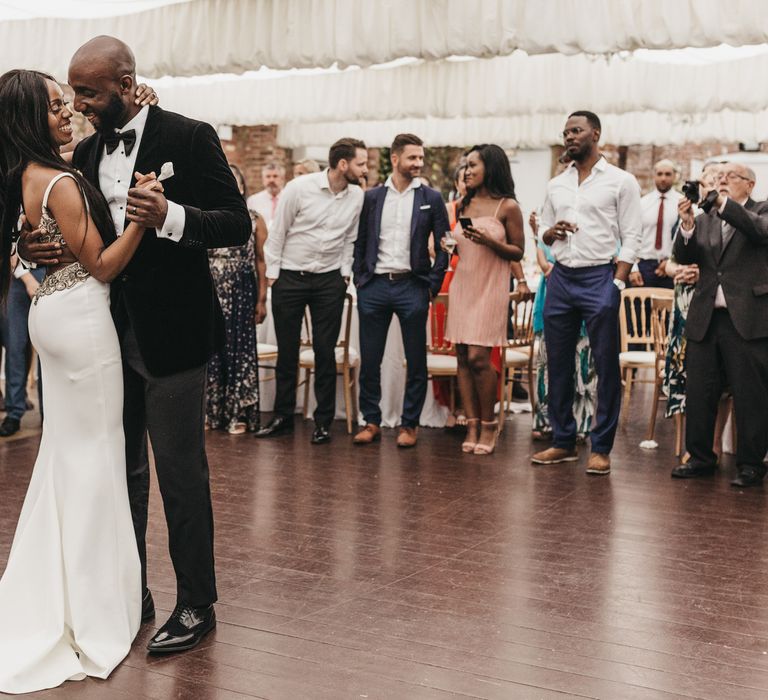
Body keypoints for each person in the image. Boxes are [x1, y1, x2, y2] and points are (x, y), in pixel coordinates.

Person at [18, 36, 251, 654]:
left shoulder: (189, 135)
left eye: (89, 93)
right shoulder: (87, 151)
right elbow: (60, 222)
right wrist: (29, 244)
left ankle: (197, 603)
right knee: (121, 471)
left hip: (172, 336)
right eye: (73, 94)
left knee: (179, 471)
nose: (80, 105)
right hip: (100, 336)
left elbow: (235, 223)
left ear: (126, 83)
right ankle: (131, 590)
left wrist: (171, 216)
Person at [0, 68, 166, 693]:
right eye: (53, 107)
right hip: (84, 323)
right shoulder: (63, 182)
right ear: (27, 119)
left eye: (68, 102)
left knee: (66, 460)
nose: (66, 112)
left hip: (51, 314)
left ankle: (64, 582)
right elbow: (101, 265)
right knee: (97, 461)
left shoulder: (25, 174)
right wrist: (143, 222)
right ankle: (95, 605)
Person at [532, 110, 642, 475]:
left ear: (596, 133)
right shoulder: (556, 184)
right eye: (565, 132)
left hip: (600, 278)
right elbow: (543, 227)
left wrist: (617, 284)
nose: (569, 136)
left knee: (605, 365)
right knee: (558, 362)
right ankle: (562, 441)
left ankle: (601, 447)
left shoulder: (621, 181)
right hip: (561, 278)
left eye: (576, 130)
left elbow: (632, 236)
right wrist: (550, 234)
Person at [256, 138, 367, 444]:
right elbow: (277, 234)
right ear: (343, 164)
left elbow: (350, 239)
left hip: (329, 280)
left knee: (325, 352)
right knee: (288, 351)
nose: (365, 169)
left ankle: (323, 422)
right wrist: (275, 276)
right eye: (361, 163)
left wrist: (344, 273)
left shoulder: (356, 196)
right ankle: (282, 416)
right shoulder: (299, 188)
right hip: (290, 278)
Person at [670, 162, 768, 487]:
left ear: (750, 185)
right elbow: (685, 257)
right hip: (706, 317)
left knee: (749, 395)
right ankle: (700, 457)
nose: (722, 181)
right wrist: (686, 226)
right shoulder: (705, 218)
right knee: (700, 391)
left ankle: (751, 464)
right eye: (719, 178)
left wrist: (720, 203)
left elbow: (757, 230)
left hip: (747, 319)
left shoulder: (762, 210)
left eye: (730, 177)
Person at [352, 133, 449, 447]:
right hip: (375, 286)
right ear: (395, 159)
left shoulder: (431, 199)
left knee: (416, 361)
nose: (418, 163)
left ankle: (410, 424)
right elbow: (360, 242)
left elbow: (446, 244)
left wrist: (432, 285)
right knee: (371, 359)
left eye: (421, 157)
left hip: (413, 286)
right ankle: (371, 420)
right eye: (412, 158)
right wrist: (360, 280)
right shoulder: (372, 197)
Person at [443, 144, 525, 455]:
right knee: (462, 359)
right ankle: (472, 423)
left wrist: (490, 241)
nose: (467, 170)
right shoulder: (462, 204)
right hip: (463, 284)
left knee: (480, 359)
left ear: (491, 167)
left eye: (473, 165)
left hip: (490, 288)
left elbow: (518, 251)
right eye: (465, 166)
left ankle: (490, 425)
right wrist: (448, 245)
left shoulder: (507, 207)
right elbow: (460, 247)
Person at [206, 164, 268, 434]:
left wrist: (262, 299)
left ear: (242, 186)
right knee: (211, 351)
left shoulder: (254, 219)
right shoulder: (205, 216)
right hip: (210, 289)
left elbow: (261, 261)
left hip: (242, 290)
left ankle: (238, 414)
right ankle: (212, 412)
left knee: (239, 351)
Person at [530, 212, 596, 442]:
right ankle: (546, 420)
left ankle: (580, 423)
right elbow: (544, 263)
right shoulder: (548, 232)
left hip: (585, 295)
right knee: (547, 364)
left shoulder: (595, 228)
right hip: (552, 294)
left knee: (583, 365)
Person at [0, 254, 44, 437]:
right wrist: (26, 277)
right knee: (15, 346)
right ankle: (14, 413)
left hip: (49, 271)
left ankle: (48, 413)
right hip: (15, 277)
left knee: (46, 347)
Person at [629, 159, 681, 289]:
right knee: (640, 307)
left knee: (668, 309)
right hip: (644, 266)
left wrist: (671, 261)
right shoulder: (642, 203)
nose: (663, 178)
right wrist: (633, 268)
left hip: (671, 266)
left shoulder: (682, 203)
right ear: (654, 176)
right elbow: (632, 236)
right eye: (660, 174)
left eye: (668, 174)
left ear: (675, 176)